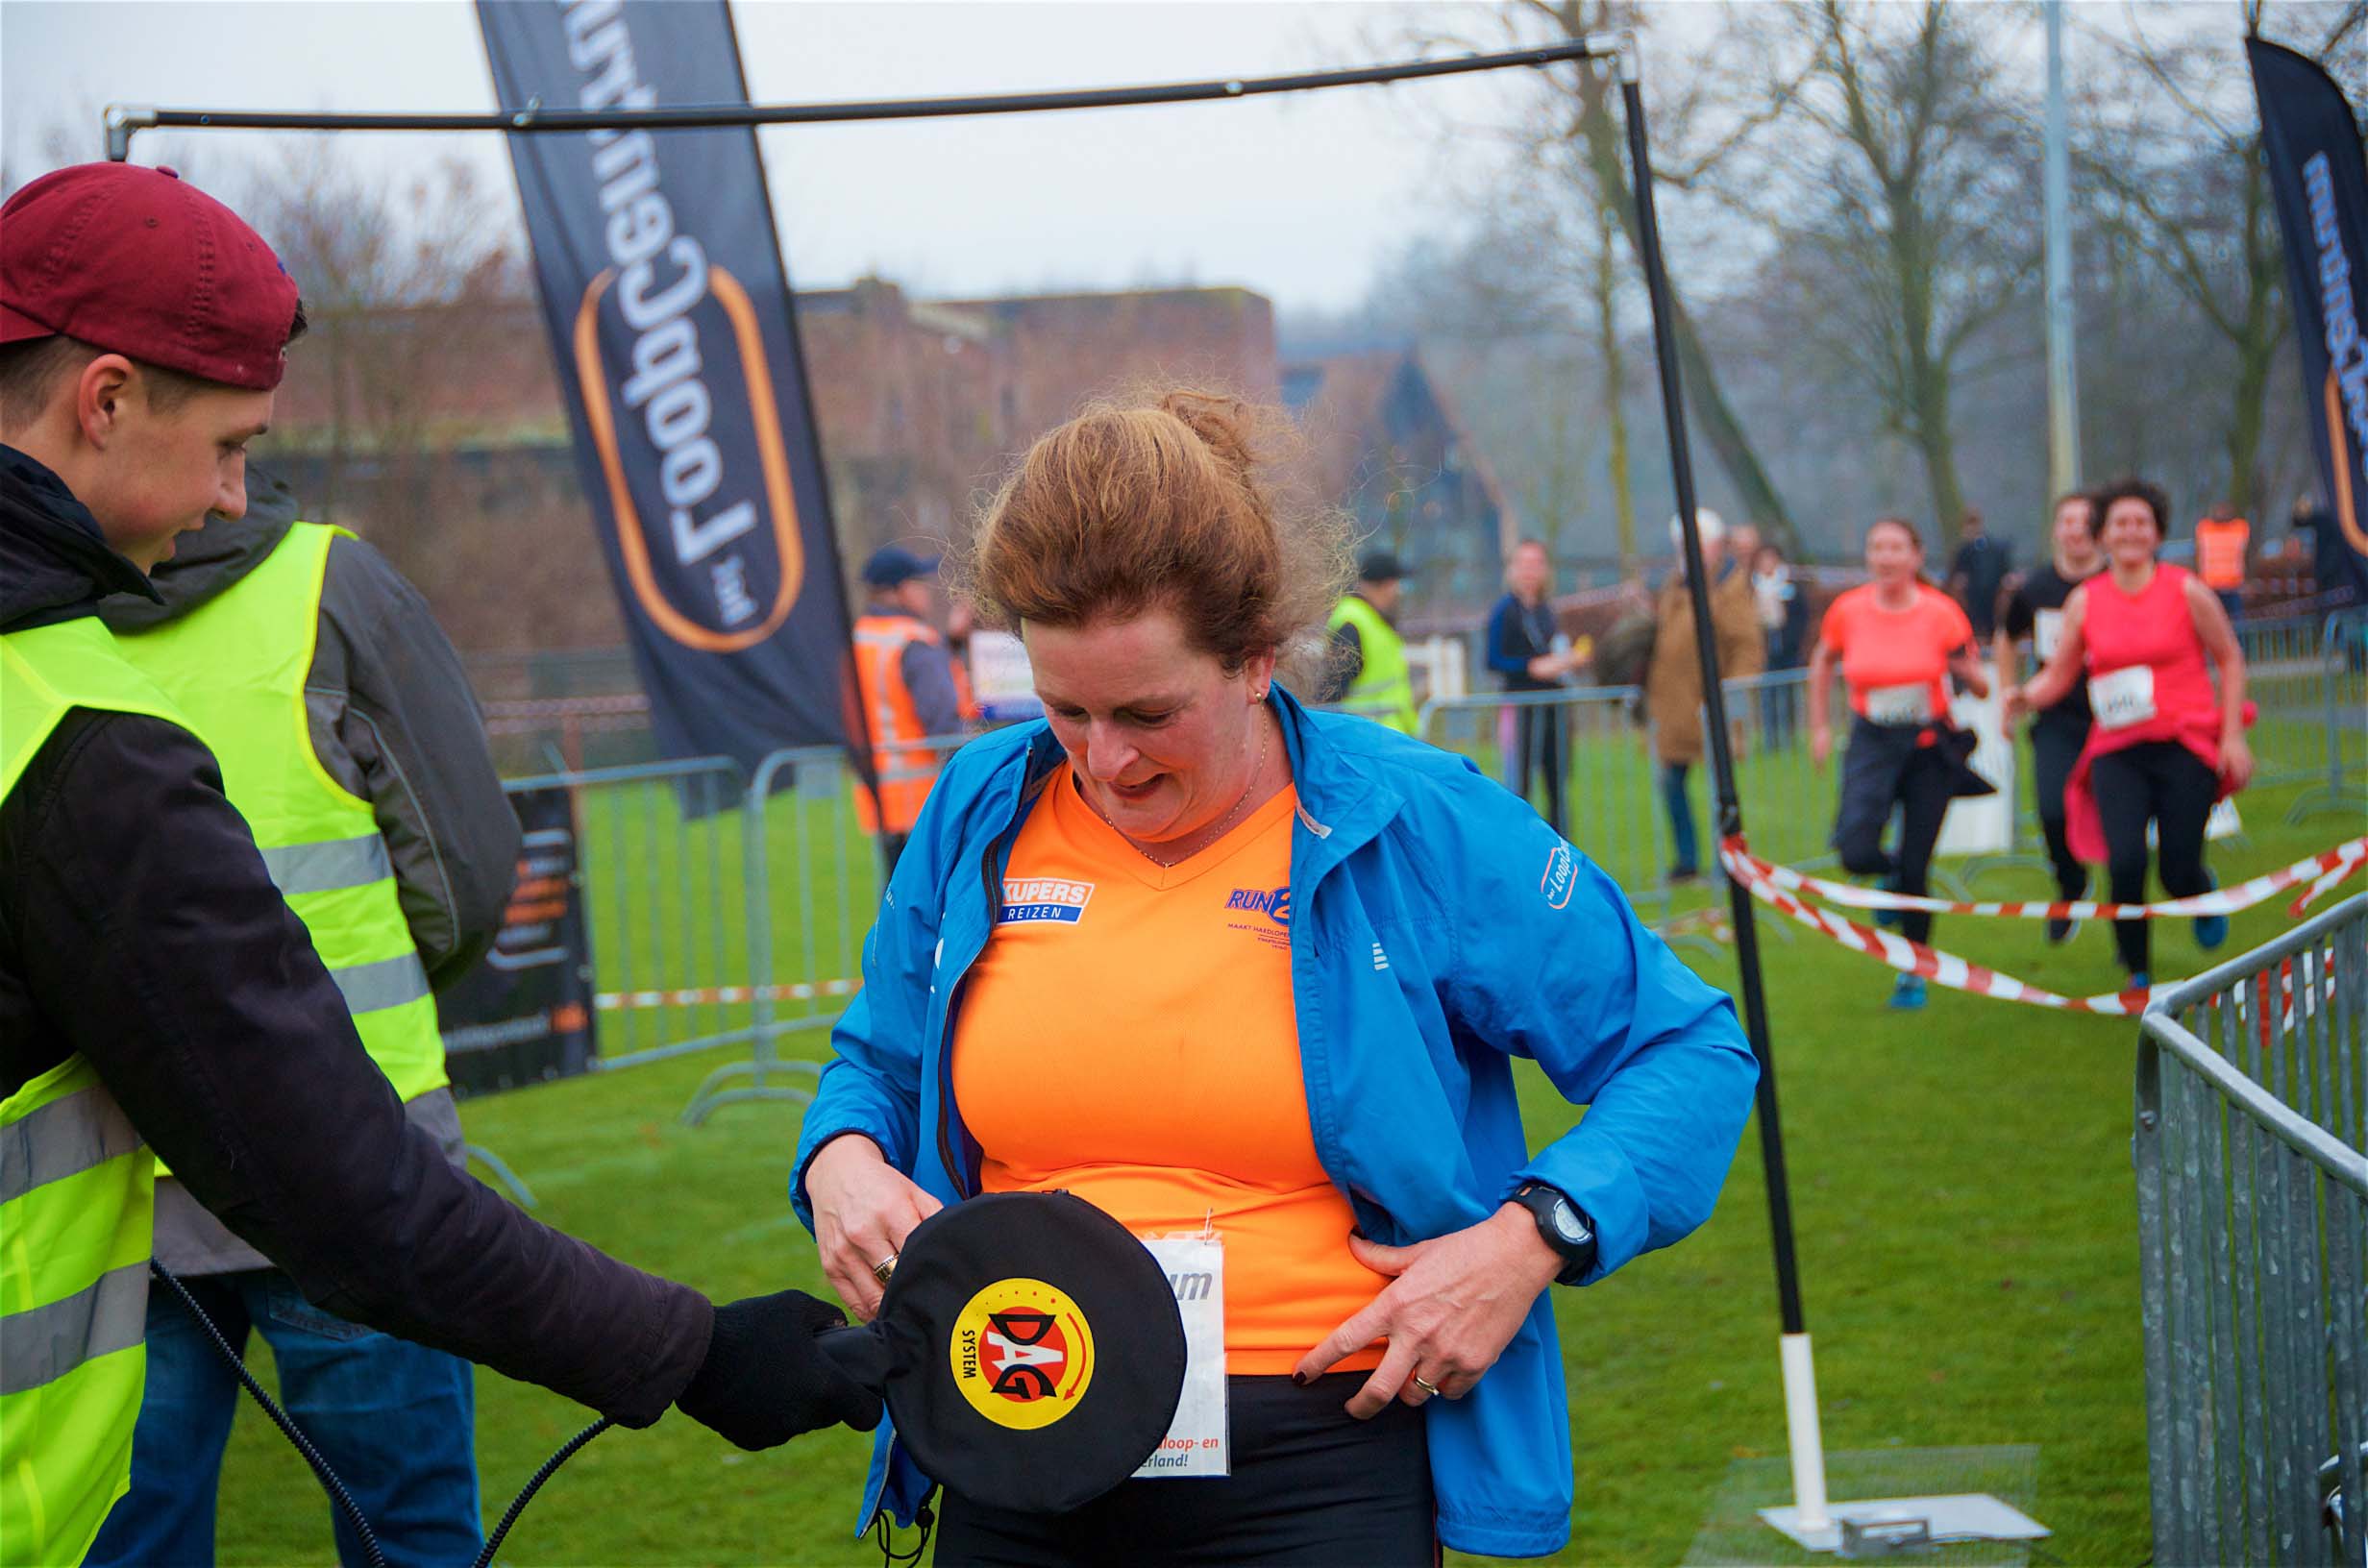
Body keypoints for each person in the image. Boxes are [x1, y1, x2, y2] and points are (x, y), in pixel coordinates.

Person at [0, 161, 875, 1568]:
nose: (230, 496)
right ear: (102, 401)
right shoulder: (69, 733)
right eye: (228, 444)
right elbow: (348, 1184)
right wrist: (695, 1350)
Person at [792, 390, 1759, 1565]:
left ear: (1257, 659)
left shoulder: (1412, 817)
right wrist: (840, 1159)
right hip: (1014, 1424)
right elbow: (876, 1064)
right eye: (1065, 710)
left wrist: (1532, 1237)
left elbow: (1689, 1051)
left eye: (1149, 712)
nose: (1105, 761)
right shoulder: (979, 804)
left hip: (1320, 1461)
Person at [84, 464, 509, 1565]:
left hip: (118, 1169)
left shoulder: (32, 619)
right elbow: (460, 875)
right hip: (355, 1157)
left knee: (123, 1538)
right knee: (411, 1535)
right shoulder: (335, 585)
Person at [2008, 478, 2254, 990]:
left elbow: (2229, 658)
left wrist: (2232, 736)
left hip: (2183, 744)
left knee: (2176, 870)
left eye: (2142, 522)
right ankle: (2138, 975)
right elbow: (2061, 672)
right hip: (2117, 751)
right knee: (2124, 862)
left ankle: (2198, 890)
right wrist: (2024, 696)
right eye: (2120, 522)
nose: (2131, 531)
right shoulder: (2085, 600)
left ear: (2157, 533)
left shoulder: (2186, 590)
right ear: (2103, 535)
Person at [1807, 518, 1993, 1011]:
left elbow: (1979, 684)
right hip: (1872, 741)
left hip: (1929, 747)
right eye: (1877, 548)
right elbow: (1823, 660)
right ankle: (1889, 876)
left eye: (1895, 548)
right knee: (1855, 851)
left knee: (1917, 868)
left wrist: (1967, 672)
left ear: (1916, 556)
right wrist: (1819, 726)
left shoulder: (1941, 613)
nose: (1885, 557)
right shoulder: (1848, 611)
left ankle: (1914, 973)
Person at [1995, 492, 2103, 945]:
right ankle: (2071, 884)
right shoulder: (2035, 588)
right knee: (2053, 811)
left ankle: (2136, 936)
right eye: (2067, 521)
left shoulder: (2118, 581)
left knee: (2124, 825)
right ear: (2056, 530)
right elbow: (2006, 637)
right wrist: (2008, 694)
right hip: (2056, 716)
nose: (2076, 530)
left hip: (2117, 717)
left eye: (2085, 521)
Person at [1643, 508, 1764, 883]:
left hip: (1712, 706)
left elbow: (1746, 646)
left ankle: (1726, 861)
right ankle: (1687, 860)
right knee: (1671, 783)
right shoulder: (1675, 584)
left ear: (1714, 545)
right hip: (1674, 707)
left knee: (1720, 790)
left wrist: (1733, 693)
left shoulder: (1730, 586)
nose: (1687, 550)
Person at [853, 544, 965, 870]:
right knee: (930, 893)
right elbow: (942, 717)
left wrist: (952, 643)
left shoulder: (859, 637)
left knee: (896, 892)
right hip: (923, 798)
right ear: (900, 591)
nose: (926, 592)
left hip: (879, 796)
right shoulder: (914, 640)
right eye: (919, 583)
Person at [1485, 538, 1583, 835]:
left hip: (1554, 709)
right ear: (1513, 569)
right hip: (1521, 709)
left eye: (1536, 564)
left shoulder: (1547, 611)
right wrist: (1531, 667)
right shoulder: (1504, 611)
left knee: (1557, 785)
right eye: (1524, 564)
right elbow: (1492, 659)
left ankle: (1561, 848)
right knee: (1519, 786)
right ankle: (1519, 848)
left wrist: (1567, 661)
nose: (1530, 571)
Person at [1320, 547, 1418, 734]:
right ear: (1384, 585)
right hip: (1367, 737)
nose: (1397, 592)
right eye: (1394, 584)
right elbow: (1332, 691)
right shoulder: (1353, 624)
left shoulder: (1373, 620)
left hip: (1384, 735)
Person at [1750, 538, 1811, 747]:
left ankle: (1789, 739)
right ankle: (1771, 740)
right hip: (1765, 649)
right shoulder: (1752, 587)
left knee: (1788, 694)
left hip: (1788, 650)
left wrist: (1792, 639)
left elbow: (1802, 615)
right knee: (1768, 696)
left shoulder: (1790, 586)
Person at [1945, 508, 2012, 639]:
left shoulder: (1995, 549)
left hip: (1991, 595)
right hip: (1972, 597)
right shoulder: (1963, 550)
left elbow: (2005, 573)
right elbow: (1956, 575)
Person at [2193, 501, 2251, 623]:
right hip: (2210, 587)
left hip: (2232, 586)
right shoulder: (2204, 528)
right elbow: (2198, 556)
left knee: (2236, 624)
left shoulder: (2240, 528)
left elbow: (2246, 556)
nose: (2221, 512)